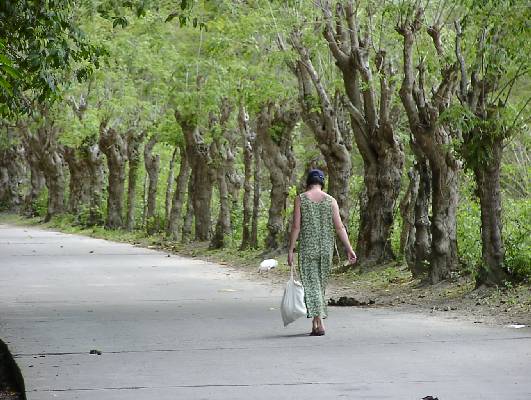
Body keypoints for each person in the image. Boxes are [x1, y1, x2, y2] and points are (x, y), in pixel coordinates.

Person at [288, 169, 356, 336]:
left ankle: (320, 322)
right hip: (326, 248)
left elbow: (296, 226)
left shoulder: (301, 199)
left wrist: (291, 249)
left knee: (311, 285)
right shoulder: (331, 200)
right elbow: (339, 227)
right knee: (319, 285)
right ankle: (315, 322)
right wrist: (349, 248)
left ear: (308, 182)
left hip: (308, 248)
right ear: (322, 182)